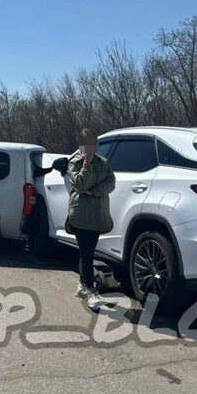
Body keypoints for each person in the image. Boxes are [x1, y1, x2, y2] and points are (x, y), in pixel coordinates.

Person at [65, 128, 115, 310]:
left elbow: (111, 184)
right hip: (80, 213)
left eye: (92, 143)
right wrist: (86, 163)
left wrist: (93, 192)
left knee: (88, 250)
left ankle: (81, 284)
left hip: (98, 213)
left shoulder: (104, 163)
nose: (90, 147)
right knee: (87, 251)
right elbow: (80, 184)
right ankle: (91, 291)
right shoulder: (74, 162)